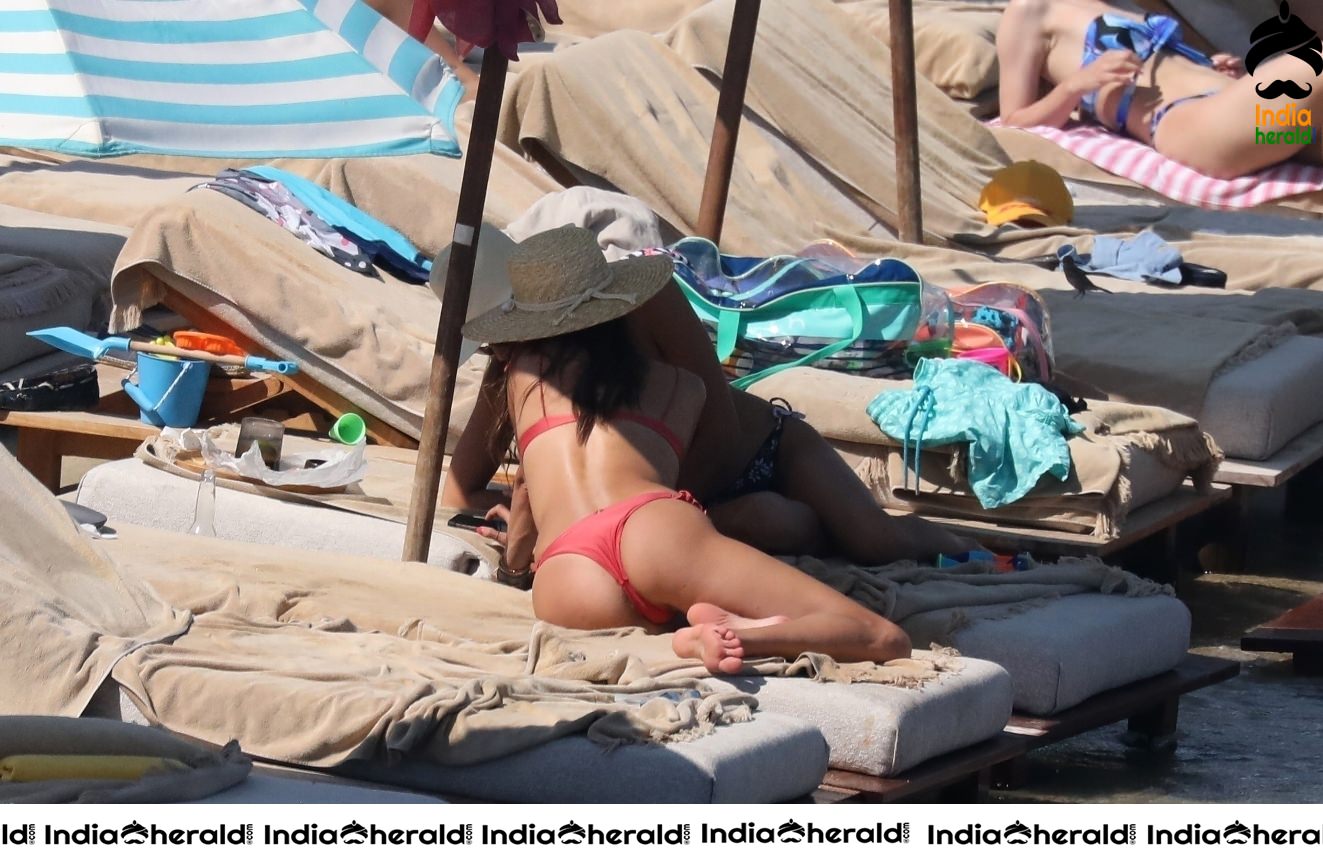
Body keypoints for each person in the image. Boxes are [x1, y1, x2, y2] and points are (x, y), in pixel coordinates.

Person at [460, 226, 914, 672]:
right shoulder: (679, 385)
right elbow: (706, 456)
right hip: (654, 533)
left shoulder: (519, 379)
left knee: (693, 580)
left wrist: (515, 570)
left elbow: (523, 498)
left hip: (566, 577)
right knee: (881, 636)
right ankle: (745, 637)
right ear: (618, 304)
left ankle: (697, 619)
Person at [443, 251, 976, 566]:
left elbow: (716, 424)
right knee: (763, 523)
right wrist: (537, 508)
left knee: (873, 538)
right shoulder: (516, 365)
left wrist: (633, 514)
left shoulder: (649, 305)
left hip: (758, 451)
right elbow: (461, 488)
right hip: (672, 507)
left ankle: (978, 555)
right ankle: (800, 530)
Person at [997, 0, 1323, 178]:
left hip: (1261, 128)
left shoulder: (1114, 4)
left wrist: (1213, 66)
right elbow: (1013, 121)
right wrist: (1076, 86)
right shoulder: (1028, 11)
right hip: (1193, 124)